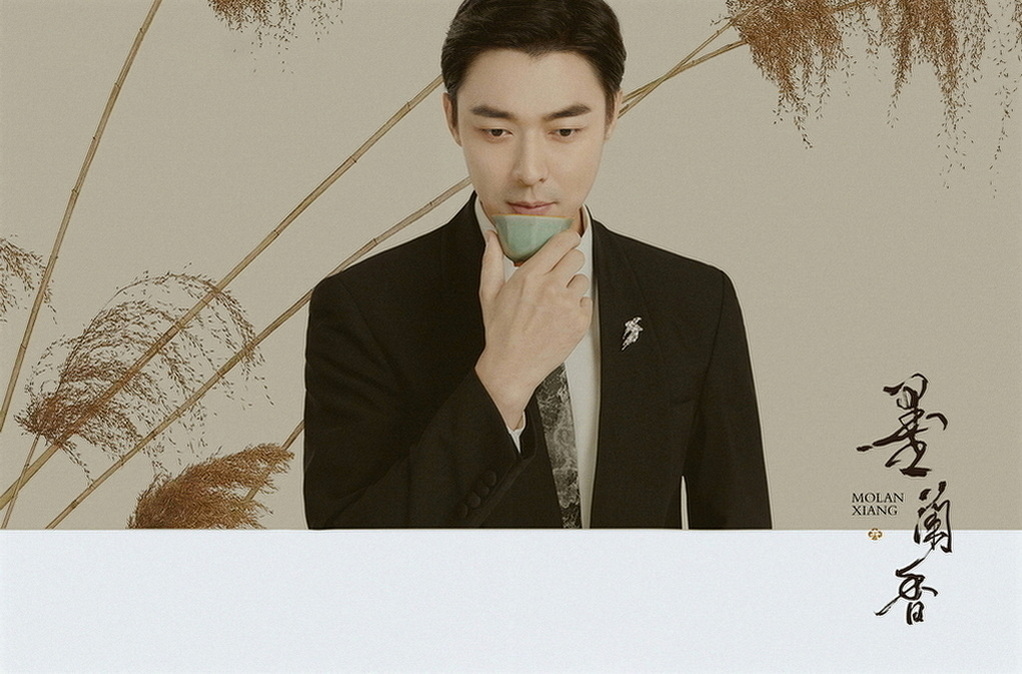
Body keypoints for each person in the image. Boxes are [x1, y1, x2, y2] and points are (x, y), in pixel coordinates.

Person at [303, 0, 771, 528]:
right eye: (496, 132)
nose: (529, 171)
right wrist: (501, 380)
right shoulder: (363, 308)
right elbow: (346, 555)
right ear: (452, 118)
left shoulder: (695, 300)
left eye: (564, 131)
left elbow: (742, 546)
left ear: (612, 114)